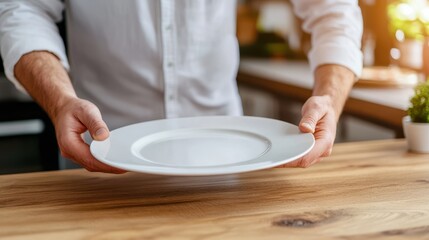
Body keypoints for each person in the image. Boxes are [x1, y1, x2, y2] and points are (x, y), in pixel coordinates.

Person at [0, 1, 362, 173]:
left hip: (236, 170)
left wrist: (329, 97)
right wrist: (61, 100)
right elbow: (21, 10)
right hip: (97, 164)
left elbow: (333, 10)